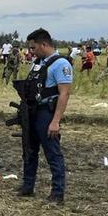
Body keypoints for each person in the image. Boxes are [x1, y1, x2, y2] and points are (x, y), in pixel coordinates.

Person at [16, 28, 72, 204]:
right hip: (32, 112)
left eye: (33, 48)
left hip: (47, 114)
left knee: (53, 154)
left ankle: (57, 193)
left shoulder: (61, 64)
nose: (31, 51)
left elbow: (64, 94)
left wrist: (55, 121)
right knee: (29, 150)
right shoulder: (37, 63)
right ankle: (28, 187)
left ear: (44, 44)